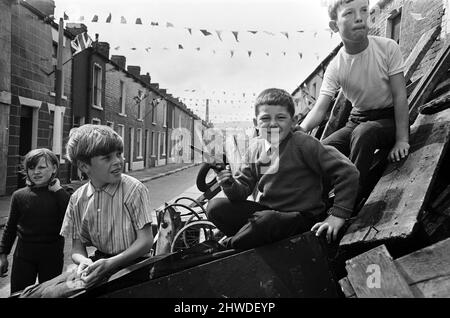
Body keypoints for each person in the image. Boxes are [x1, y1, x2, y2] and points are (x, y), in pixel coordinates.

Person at [206, 88, 360, 250]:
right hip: (268, 214)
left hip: (302, 218)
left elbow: (348, 172)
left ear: (293, 121)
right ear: (255, 123)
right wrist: (229, 183)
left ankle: (228, 246)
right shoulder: (255, 148)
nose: (273, 124)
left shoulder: (303, 143)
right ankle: (246, 238)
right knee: (215, 207)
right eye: (265, 118)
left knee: (266, 221)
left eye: (280, 117)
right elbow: (242, 190)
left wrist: (337, 215)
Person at [298, 0, 410, 203]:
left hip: (387, 118)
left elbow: (400, 96)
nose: (359, 17)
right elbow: (320, 108)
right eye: (349, 13)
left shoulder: (387, 48)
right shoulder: (336, 66)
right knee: (321, 149)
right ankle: (317, 206)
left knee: (364, 133)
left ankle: (347, 203)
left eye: (364, 10)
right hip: (357, 119)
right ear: (334, 26)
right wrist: (298, 131)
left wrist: (402, 139)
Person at [60, 124, 154, 289]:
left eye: (119, 154)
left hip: (137, 266)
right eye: (107, 158)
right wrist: (84, 262)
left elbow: (146, 241)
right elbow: (76, 248)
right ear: (84, 166)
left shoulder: (134, 190)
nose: (118, 161)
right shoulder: (77, 199)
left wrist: (110, 263)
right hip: (100, 264)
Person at [0, 148, 70, 294]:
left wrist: (58, 191)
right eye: (31, 168)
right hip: (24, 255)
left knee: (50, 294)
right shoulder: (19, 195)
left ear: (54, 168)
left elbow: (71, 217)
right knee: (19, 293)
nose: (36, 172)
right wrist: (3, 254)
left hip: (52, 254)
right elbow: (10, 227)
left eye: (42, 167)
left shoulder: (63, 194)